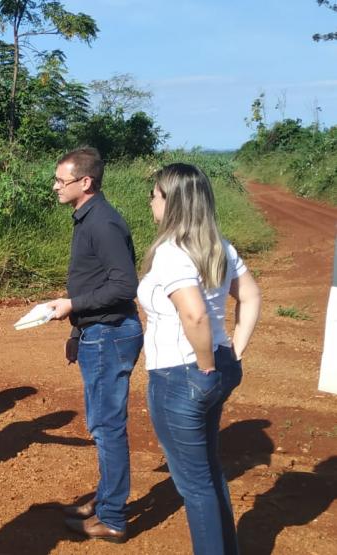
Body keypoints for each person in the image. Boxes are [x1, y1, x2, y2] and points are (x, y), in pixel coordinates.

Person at [139, 163, 261, 554]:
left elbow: (193, 313)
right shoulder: (219, 246)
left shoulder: (171, 253)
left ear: (171, 202)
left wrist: (206, 362)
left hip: (181, 376)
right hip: (214, 370)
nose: (150, 200)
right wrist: (233, 348)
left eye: (155, 194)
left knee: (194, 486)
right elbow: (251, 296)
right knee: (207, 474)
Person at [44, 147, 143, 543]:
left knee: (107, 427)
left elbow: (123, 286)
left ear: (85, 182)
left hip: (111, 333)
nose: (55, 187)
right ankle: (105, 501)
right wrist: (76, 330)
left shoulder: (103, 223)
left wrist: (72, 307)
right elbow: (92, 281)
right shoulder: (87, 218)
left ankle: (114, 516)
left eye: (60, 180)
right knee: (102, 424)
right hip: (97, 332)